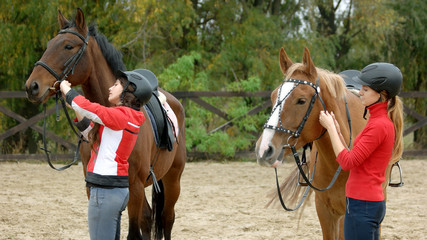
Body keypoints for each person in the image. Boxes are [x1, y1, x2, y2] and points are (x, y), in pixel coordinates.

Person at [59, 69, 153, 240]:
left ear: (129, 91)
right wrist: (75, 108)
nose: (111, 87)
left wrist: (66, 88)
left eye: (116, 84)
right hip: (114, 190)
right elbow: (92, 137)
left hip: (105, 191)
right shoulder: (128, 117)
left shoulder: (121, 115)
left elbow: (89, 107)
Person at [318, 62, 404, 240]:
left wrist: (331, 130)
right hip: (366, 202)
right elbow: (354, 152)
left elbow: (347, 162)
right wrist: (337, 129)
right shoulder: (375, 120)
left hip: (362, 204)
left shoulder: (378, 126)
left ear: (383, 94)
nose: (359, 92)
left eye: (366, 89)